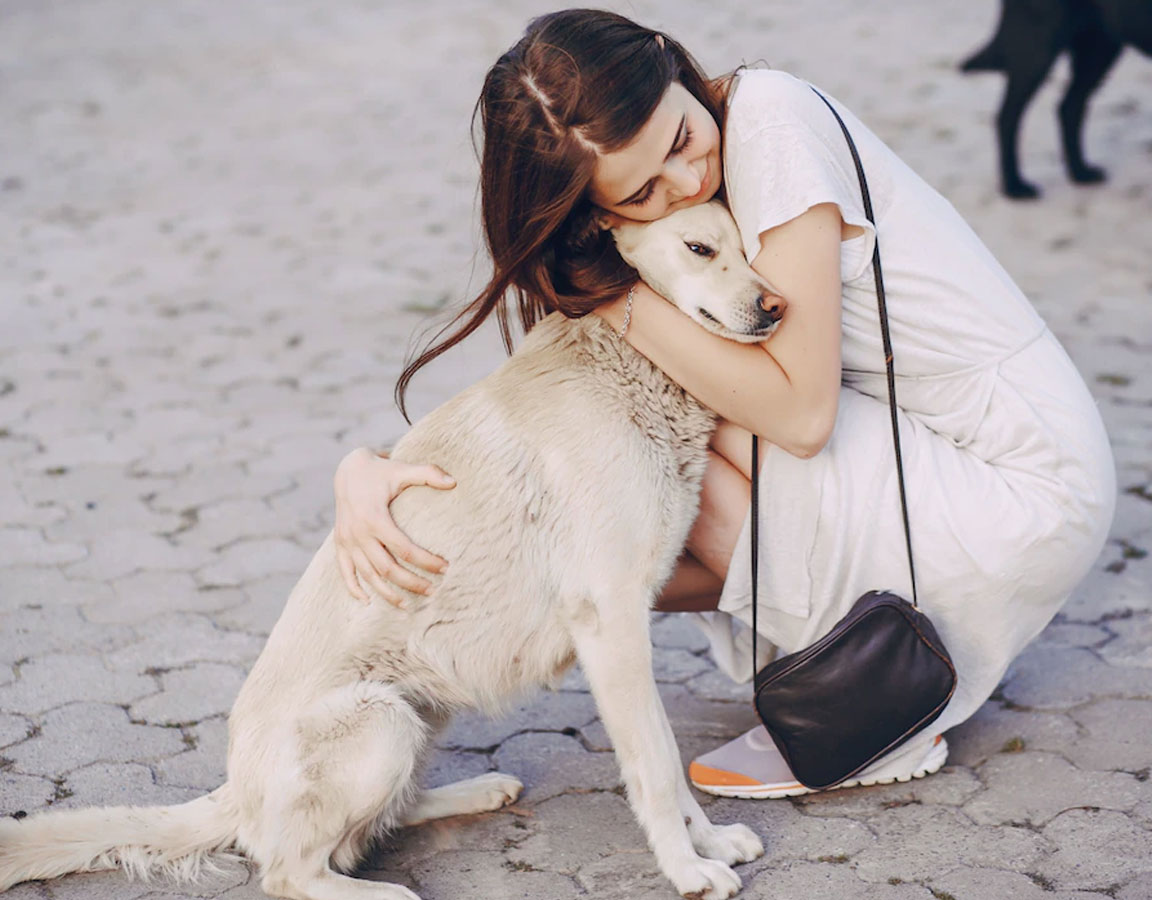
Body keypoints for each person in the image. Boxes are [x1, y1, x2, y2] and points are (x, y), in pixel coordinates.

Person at [331, 9, 1116, 799]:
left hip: (1015, 475)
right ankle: (421, 602)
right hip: (926, 451)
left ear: (674, 66)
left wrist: (614, 303)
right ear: (597, 215)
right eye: (641, 192)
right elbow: (553, 450)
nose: (686, 183)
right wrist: (387, 483)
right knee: (597, 526)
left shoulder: (769, 122)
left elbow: (802, 419)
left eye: (679, 140)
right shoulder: (676, 199)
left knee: (658, 433)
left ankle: (879, 699)